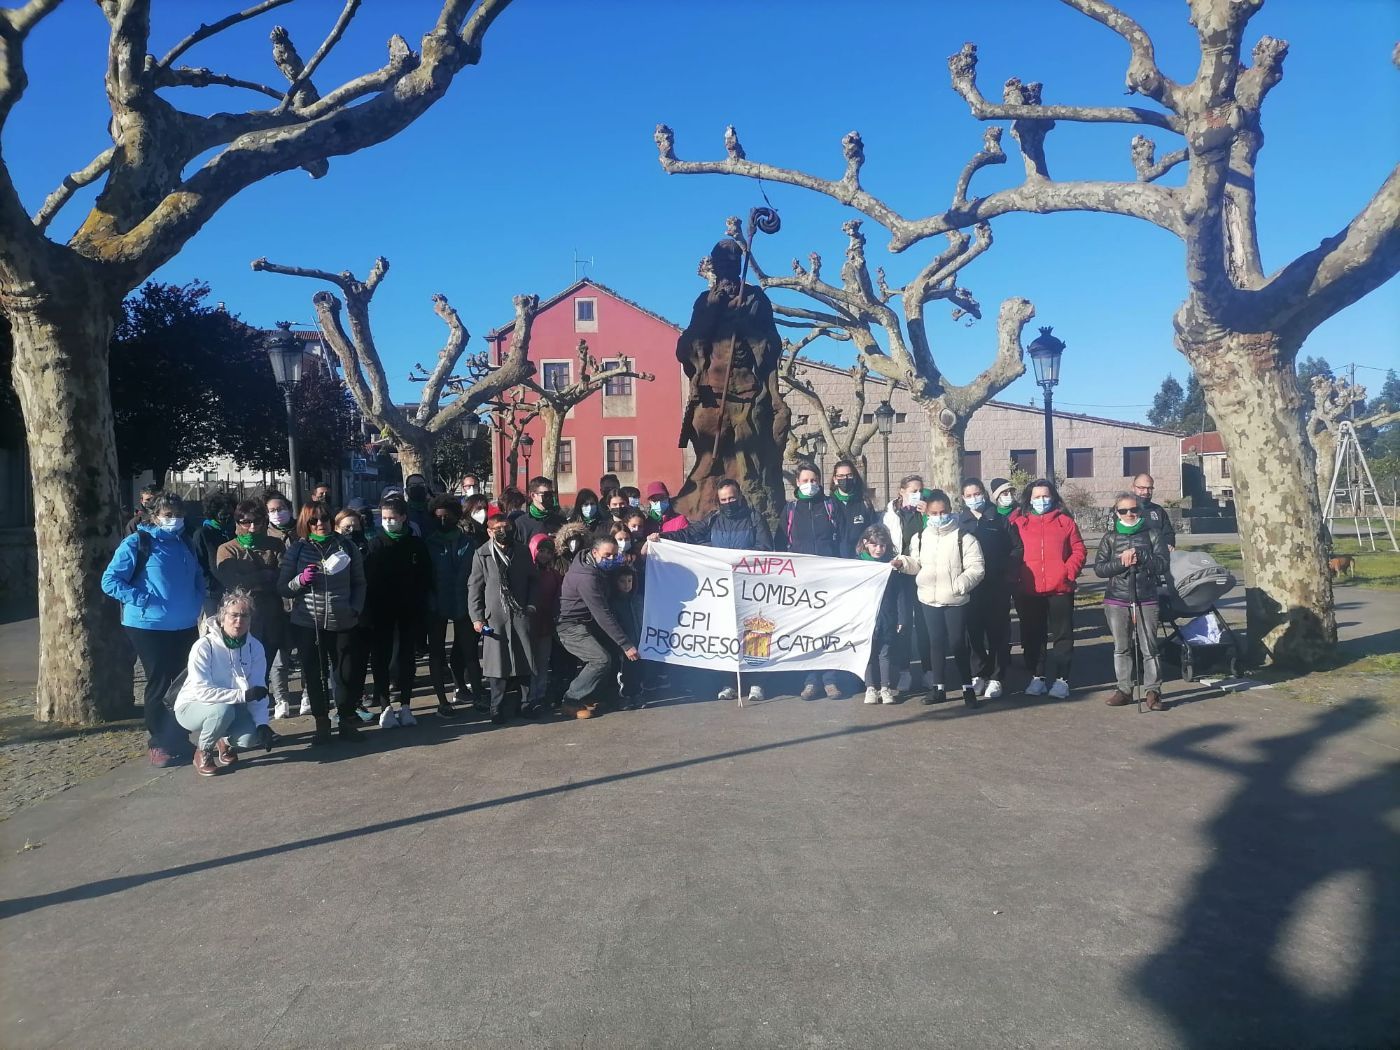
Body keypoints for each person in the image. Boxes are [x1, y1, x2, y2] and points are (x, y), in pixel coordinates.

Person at [647, 478, 772, 703]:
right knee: (725, 634)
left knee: (754, 633)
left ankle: (757, 681)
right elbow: (688, 535)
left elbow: (765, 548)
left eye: (732, 498)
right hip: (722, 588)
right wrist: (662, 538)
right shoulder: (714, 519)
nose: (728, 503)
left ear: (739, 496)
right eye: (723, 499)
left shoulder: (754, 517)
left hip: (750, 587)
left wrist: (737, 560)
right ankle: (729, 682)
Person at [101, 492, 204, 767]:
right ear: (154, 516)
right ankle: (158, 742)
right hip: (148, 626)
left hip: (184, 624)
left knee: (184, 683)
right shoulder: (137, 542)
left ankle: (179, 737)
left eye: (178, 515)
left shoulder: (185, 544)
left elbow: (196, 577)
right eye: (168, 514)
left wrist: (198, 600)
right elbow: (110, 581)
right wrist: (142, 599)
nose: (174, 520)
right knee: (160, 682)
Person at [278, 501, 368, 744]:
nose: (320, 524)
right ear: (305, 524)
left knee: (346, 674)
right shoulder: (297, 550)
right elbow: (283, 588)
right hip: (308, 623)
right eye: (314, 520)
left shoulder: (347, 546)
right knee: (315, 674)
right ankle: (322, 723)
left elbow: (360, 582)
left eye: (325, 518)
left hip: (343, 621)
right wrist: (300, 580)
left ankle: (346, 719)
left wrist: (355, 609)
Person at [894, 489, 985, 706]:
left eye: (942, 512)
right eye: (934, 513)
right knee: (935, 643)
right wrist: (903, 563)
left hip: (955, 599)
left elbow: (977, 568)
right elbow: (916, 564)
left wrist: (959, 585)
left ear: (950, 511)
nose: (938, 516)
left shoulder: (965, 538)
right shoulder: (921, 537)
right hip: (928, 598)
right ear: (928, 514)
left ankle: (967, 689)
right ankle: (938, 688)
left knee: (957, 644)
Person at [172, 589, 272, 776]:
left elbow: (258, 689)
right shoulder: (204, 646)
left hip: (231, 707)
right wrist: (242, 695)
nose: (239, 621)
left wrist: (262, 723)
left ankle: (223, 741)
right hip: (192, 706)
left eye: (245, 616)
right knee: (222, 710)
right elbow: (202, 691)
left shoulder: (255, 647)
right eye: (233, 615)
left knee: (250, 738)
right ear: (222, 617)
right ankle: (203, 751)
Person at [1009, 479, 1086, 699]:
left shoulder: (1065, 522)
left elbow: (1078, 550)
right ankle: (1038, 676)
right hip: (1029, 589)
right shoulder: (1019, 522)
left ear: (1053, 497)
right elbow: (1012, 550)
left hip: (1060, 589)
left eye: (1045, 496)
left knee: (1062, 635)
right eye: (1037, 497)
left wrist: (1068, 572)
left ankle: (1062, 679)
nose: (1041, 500)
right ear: (1029, 499)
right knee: (1034, 635)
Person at [213, 500, 290, 717]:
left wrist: (254, 579)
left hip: (273, 614)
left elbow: (282, 576)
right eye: (245, 522)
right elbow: (232, 582)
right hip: (241, 619)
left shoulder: (275, 545)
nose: (252, 527)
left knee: (263, 670)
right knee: (240, 671)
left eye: (257, 522)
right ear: (237, 522)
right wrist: (262, 576)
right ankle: (240, 719)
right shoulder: (227, 548)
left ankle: (260, 718)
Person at [1094, 492, 1170, 710]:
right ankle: (1124, 689)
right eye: (1124, 510)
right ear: (1116, 513)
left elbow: (1163, 564)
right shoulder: (1110, 538)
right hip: (1117, 598)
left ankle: (1153, 692)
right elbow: (1100, 569)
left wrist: (1142, 556)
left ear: (1140, 511)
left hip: (1146, 596)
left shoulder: (1153, 535)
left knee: (1150, 648)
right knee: (1122, 647)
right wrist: (1121, 563)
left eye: (1134, 510)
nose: (1129, 514)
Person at [364, 495, 433, 727]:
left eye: (393, 518)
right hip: (381, 612)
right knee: (381, 658)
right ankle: (385, 706)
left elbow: (426, 578)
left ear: (403, 517)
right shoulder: (375, 544)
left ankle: (405, 705)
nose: (389, 522)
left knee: (406, 658)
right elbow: (368, 580)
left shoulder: (416, 545)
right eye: (384, 518)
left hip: (409, 611)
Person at [556, 534, 638, 718]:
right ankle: (571, 700)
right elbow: (601, 612)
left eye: (614, 555)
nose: (611, 559)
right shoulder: (587, 577)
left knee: (610, 654)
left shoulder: (596, 567)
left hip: (588, 624)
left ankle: (595, 696)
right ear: (594, 552)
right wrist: (626, 644)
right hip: (571, 626)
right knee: (600, 660)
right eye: (607, 555)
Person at [779, 465, 842, 699]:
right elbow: (781, 544)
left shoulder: (830, 506)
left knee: (828, 630)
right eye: (806, 479)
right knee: (806, 631)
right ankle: (810, 680)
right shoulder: (791, 510)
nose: (810, 483)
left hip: (828, 580)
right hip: (801, 583)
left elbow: (841, 539)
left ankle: (830, 679)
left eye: (814, 479)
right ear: (797, 482)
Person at [468, 514, 537, 722]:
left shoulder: (523, 551)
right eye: (497, 528)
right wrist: (477, 617)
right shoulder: (482, 554)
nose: (503, 531)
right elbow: (475, 587)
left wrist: (533, 604)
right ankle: (496, 707)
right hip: (494, 617)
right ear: (489, 532)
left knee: (525, 660)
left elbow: (534, 580)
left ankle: (526, 704)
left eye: (506, 527)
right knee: (497, 664)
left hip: (520, 613)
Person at [959, 478, 1022, 701]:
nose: (973, 498)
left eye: (977, 493)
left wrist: (1008, 574)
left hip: (997, 586)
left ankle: (997, 676)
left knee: (998, 632)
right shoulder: (960, 523)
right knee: (973, 632)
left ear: (984, 494)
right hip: (971, 588)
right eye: (969, 495)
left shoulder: (1000, 520)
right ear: (963, 498)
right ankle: (979, 673)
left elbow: (1016, 548)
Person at [425, 494, 482, 718]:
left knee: (469, 652)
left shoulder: (469, 543)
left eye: (446, 516)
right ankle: (442, 701)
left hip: (464, 602)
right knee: (436, 653)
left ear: (456, 517)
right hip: (436, 605)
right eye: (437, 517)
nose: (442, 520)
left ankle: (478, 695)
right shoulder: (428, 544)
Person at [883, 474, 931, 693]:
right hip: (899, 576)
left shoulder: (925, 513)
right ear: (901, 491)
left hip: (922, 574)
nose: (917, 494)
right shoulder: (890, 514)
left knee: (924, 623)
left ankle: (928, 670)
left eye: (920, 490)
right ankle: (904, 671)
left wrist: (927, 515)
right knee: (903, 624)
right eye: (913, 490)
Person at [856, 525, 909, 705]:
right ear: (865, 543)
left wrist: (902, 617)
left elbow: (899, 593)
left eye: (882, 546)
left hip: (887, 616)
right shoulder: (856, 565)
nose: (878, 549)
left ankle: (885, 688)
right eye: (874, 545)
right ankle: (870, 687)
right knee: (868, 653)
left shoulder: (891, 566)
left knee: (885, 653)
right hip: (865, 617)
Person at [526, 533, 565, 716]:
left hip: (546, 625)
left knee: (542, 662)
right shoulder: (525, 572)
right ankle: (527, 698)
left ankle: (539, 697)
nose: (545, 555)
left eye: (549, 552)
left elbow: (559, 598)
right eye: (541, 550)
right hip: (527, 625)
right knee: (529, 663)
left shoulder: (555, 575)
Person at [192, 490, 235, 619]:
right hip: (212, 592)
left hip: (235, 589)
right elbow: (199, 564)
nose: (228, 517)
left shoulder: (235, 531)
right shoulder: (202, 534)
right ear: (214, 513)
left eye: (231, 513)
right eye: (223, 513)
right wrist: (210, 586)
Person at [612, 567, 645, 707]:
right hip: (623, 646)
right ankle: (623, 696)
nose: (627, 584)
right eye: (622, 581)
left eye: (630, 581)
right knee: (623, 671)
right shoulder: (613, 602)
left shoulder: (638, 599)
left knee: (637, 670)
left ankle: (637, 694)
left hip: (639, 641)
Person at [831, 460, 877, 558]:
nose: (845, 479)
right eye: (841, 476)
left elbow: (874, 531)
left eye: (849, 475)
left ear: (854, 477)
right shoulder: (829, 504)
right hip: (835, 560)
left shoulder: (865, 503)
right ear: (835, 479)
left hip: (860, 560)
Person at [1131, 473, 1176, 550]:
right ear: (1133, 488)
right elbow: (1114, 537)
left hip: (1156, 556)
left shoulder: (1158, 510)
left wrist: (1168, 544)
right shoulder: (1123, 509)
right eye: (1141, 488)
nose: (1146, 492)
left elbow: (1168, 533)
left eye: (1150, 488)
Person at [516, 476, 565, 544]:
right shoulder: (521, 523)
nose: (549, 497)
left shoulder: (560, 521)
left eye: (551, 494)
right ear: (533, 495)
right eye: (545, 494)